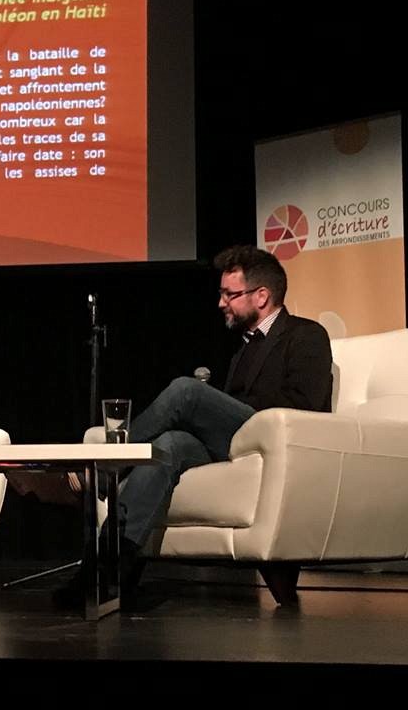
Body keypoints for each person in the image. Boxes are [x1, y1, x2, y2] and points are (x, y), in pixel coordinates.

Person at [57, 245, 333, 605]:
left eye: (229, 294)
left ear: (262, 295)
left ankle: (101, 467)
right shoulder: (244, 347)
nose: (221, 303)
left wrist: (215, 406)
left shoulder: (306, 335)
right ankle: (106, 569)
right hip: (238, 445)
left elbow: (303, 406)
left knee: (185, 391)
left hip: (274, 440)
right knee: (166, 447)